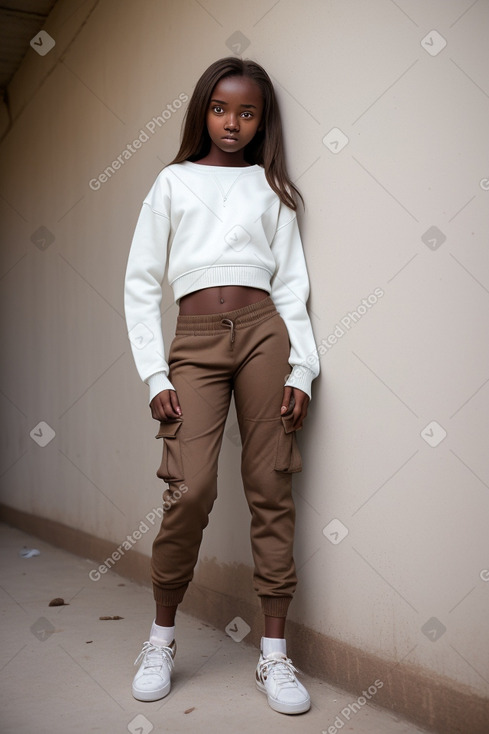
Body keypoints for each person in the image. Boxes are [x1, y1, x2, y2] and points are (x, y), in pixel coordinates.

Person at [124, 56, 319, 716]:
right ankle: (160, 639)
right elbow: (140, 283)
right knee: (191, 487)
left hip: (266, 334)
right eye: (219, 108)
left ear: (261, 121)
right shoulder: (172, 182)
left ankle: (273, 658)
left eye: (246, 112)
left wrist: (302, 367)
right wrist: (155, 372)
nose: (231, 122)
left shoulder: (272, 190)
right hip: (195, 343)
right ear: (201, 111)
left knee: (270, 483)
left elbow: (292, 286)